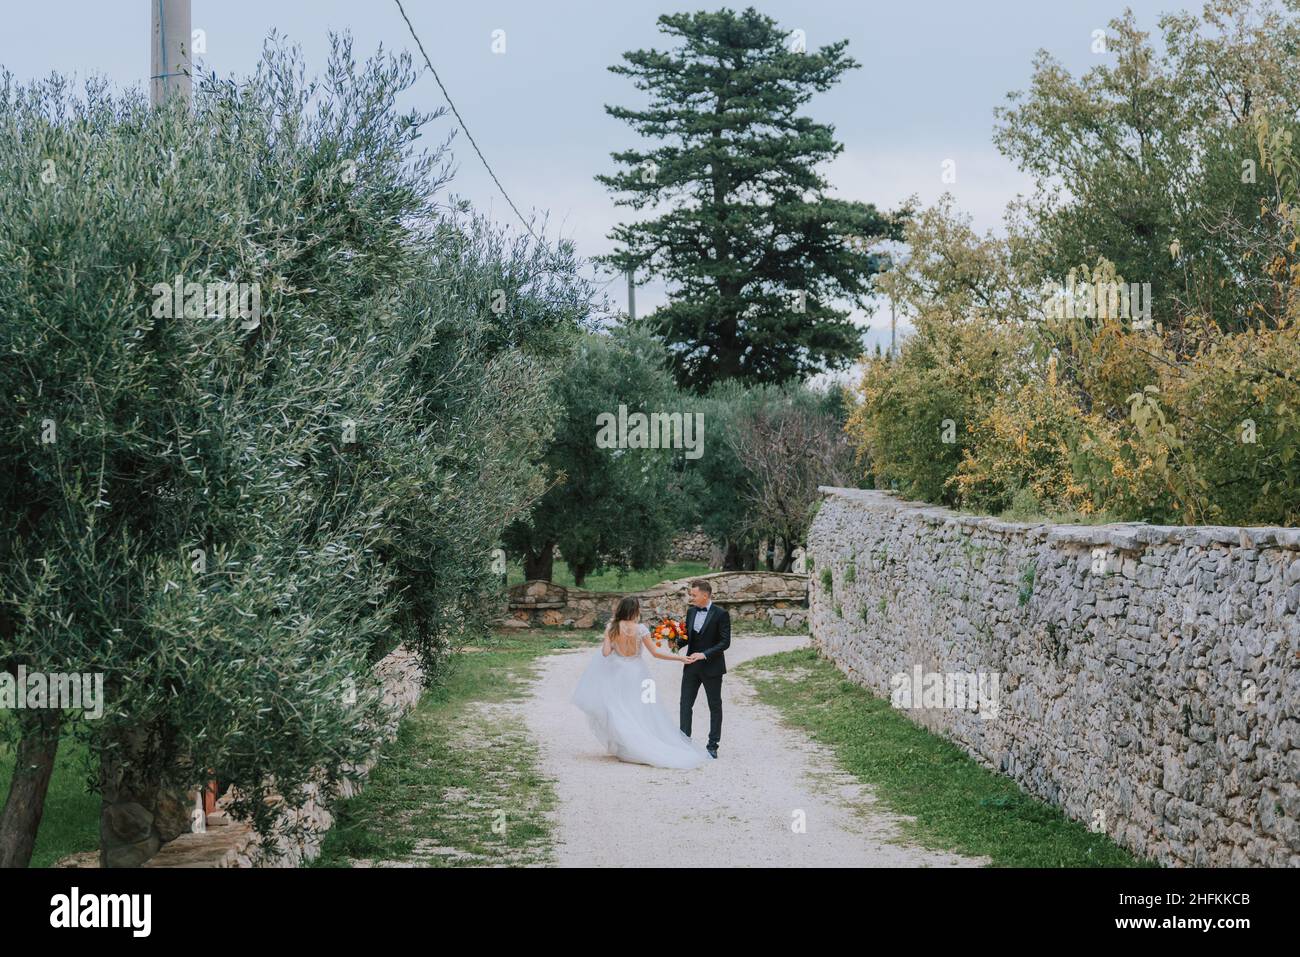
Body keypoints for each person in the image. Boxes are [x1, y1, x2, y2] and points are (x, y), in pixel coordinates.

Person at [570, 596, 710, 769]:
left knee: (620, 708)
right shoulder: (641, 629)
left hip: (618, 674)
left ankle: (627, 746)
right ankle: (644, 742)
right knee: (644, 708)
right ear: (635, 610)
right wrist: (680, 658)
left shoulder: (612, 628)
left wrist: (611, 640)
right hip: (639, 673)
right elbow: (655, 652)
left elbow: (605, 653)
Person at [679, 579, 730, 759]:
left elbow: (725, 642)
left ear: (705, 595)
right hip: (691, 666)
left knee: (714, 706)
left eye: (694, 595)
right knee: (685, 704)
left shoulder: (721, 614)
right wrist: (674, 640)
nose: (691, 598)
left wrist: (705, 654)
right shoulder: (691, 612)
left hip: (712, 667)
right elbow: (688, 638)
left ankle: (713, 745)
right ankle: (684, 742)